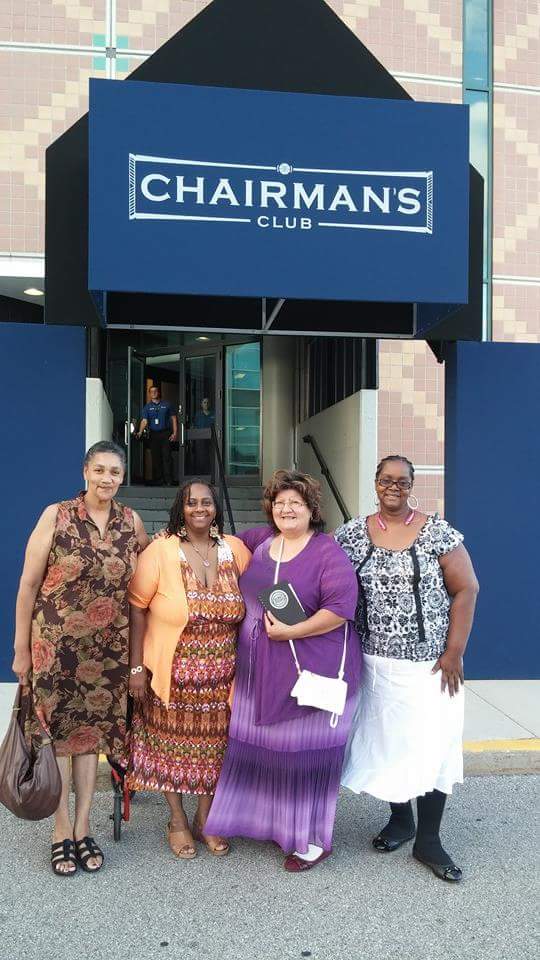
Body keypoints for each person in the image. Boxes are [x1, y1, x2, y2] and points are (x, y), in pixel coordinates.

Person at [204, 469, 361, 872]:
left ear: (311, 509)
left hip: (313, 669)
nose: (286, 509)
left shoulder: (327, 552)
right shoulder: (259, 542)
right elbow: (208, 538)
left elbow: (340, 610)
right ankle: (263, 824)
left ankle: (310, 839)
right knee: (259, 748)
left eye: (295, 502)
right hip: (259, 672)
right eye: (279, 503)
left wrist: (294, 629)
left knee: (301, 756)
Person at [335, 455, 479, 883]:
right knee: (388, 744)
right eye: (386, 479)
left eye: (402, 480)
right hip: (374, 664)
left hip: (431, 665)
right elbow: (325, 581)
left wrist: (454, 652)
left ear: (412, 485)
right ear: (375, 483)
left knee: (432, 745)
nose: (393, 486)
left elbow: (467, 588)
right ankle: (401, 820)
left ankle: (429, 840)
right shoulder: (352, 535)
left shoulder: (437, 532)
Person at [11, 441, 149, 876]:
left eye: (115, 472)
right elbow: (28, 586)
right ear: (85, 471)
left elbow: (147, 580)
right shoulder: (57, 515)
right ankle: (61, 830)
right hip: (56, 649)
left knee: (92, 744)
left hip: (108, 652)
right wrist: (20, 651)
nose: (107, 479)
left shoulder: (132, 523)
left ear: (122, 478)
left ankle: (84, 826)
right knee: (59, 743)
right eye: (100, 470)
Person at [126, 479, 251, 859]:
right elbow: (136, 606)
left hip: (223, 676)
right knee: (171, 747)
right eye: (191, 502)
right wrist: (136, 668)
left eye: (207, 502)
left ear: (215, 508)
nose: (200, 508)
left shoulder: (236, 550)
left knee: (215, 750)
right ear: (181, 507)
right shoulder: (161, 551)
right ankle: (177, 819)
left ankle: (205, 818)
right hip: (172, 672)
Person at [136, 385, 177, 486]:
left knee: (167, 456)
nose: (154, 393)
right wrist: (140, 432)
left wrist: (175, 433)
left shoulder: (167, 404)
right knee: (156, 457)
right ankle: (160, 479)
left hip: (165, 433)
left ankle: (169, 480)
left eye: (155, 391)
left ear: (159, 393)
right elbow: (144, 421)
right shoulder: (147, 407)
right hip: (154, 434)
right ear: (149, 394)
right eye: (151, 392)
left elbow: (174, 419)